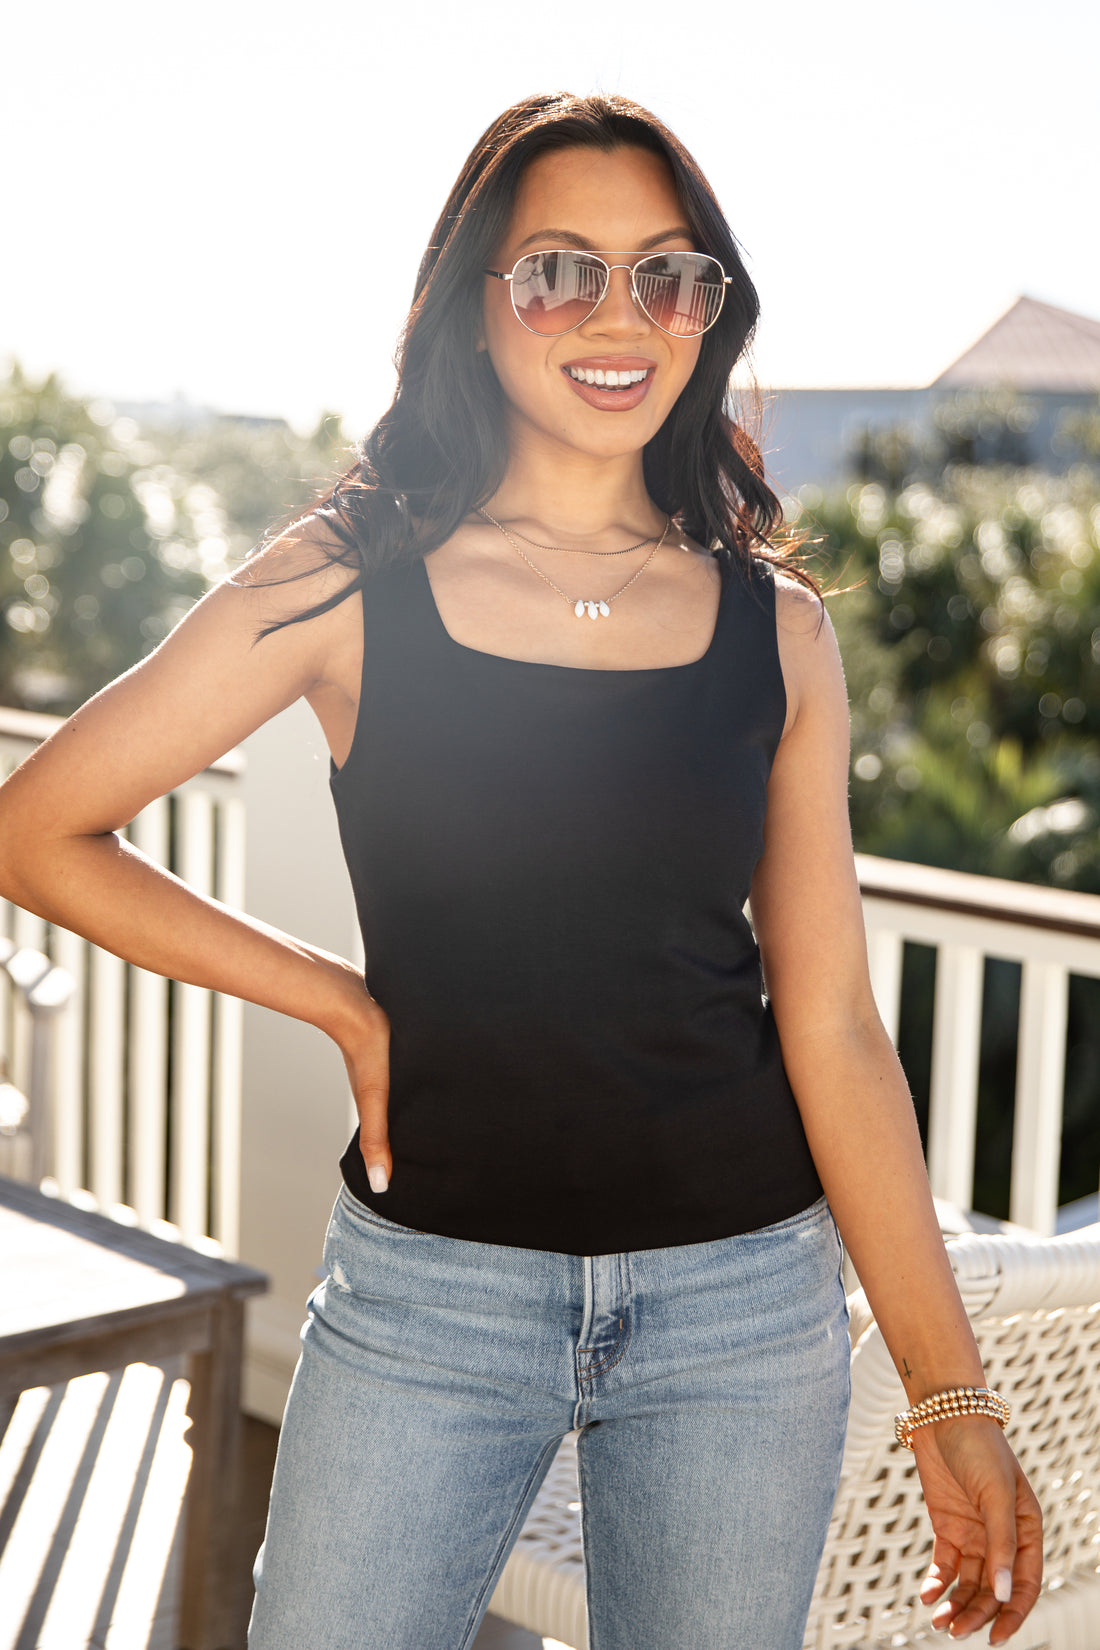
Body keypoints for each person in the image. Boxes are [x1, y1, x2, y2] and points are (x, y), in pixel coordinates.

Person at [0, 93, 1042, 1650]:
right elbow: (37, 829)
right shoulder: (345, 580)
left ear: (709, 312)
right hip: (433, 1294)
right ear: (476, 306)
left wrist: (949, 1391)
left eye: (668, 275)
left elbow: (831, 1024)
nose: (621, 317)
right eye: (561, 273)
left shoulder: (781, 631)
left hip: (742, 1301)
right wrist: (339, 1000)